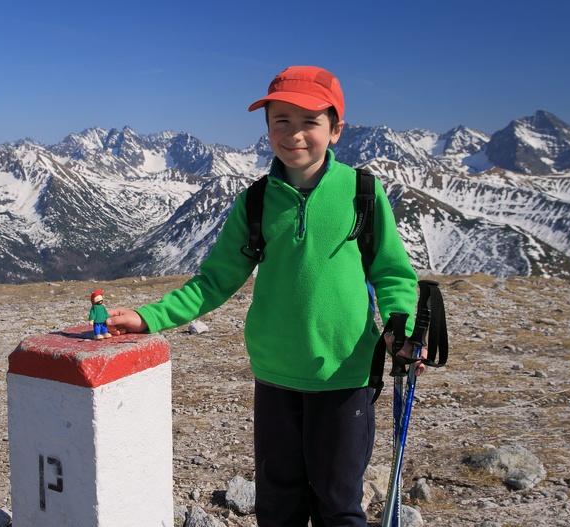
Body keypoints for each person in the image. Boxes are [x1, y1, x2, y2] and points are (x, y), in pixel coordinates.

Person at [106, 65, 425, 527]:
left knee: (339, 503)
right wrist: (148, 317)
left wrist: (403, 328)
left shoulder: (362, 193)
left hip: (345, 375)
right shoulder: (256, 201)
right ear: (267, 129)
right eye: (281, 121)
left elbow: (394, 274)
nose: (294, 134)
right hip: (275, 375)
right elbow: (213, 281)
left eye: (309, 122)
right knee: (278, 504)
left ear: (335, 130)